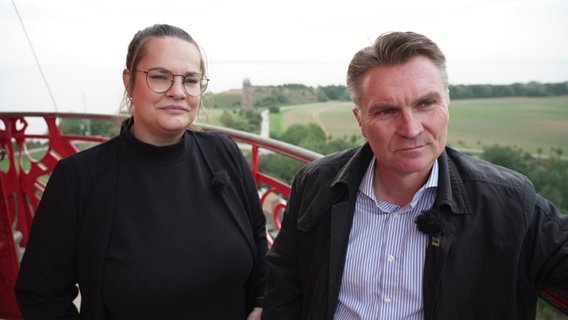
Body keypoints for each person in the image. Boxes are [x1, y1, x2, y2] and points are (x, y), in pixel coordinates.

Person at [261, 31, 568, 319]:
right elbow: (284, 285)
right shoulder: (316, 184)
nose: (411, 129)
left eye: (426, 104)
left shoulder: (508, 203)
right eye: (386, 111)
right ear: (361, 121)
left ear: (447, 104)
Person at [15, 24, 267, 320]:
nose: (178, 92)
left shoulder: (224, 154)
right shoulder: (79, 179)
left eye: (190, 80)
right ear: (128, 81)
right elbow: (41, 295)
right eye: (160, 77)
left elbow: (259, 240)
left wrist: (263, 304)